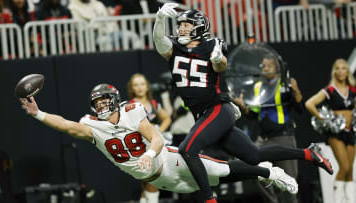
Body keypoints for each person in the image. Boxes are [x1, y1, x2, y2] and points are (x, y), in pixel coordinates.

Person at [152, 3, 333, 202]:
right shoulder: (174, 49)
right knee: (254, 156)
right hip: (204, 114)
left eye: (187, 25)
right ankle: (309, 154)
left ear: (200, 27)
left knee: (187, 150)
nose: (182, 28)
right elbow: (159, 40)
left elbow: (220, 66)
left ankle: (208, 199)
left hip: (217, 109)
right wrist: (160, 19)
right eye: (181, 25)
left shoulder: (212, 45)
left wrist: (218, 58)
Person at [19, 84, 299, 199]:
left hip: (167, 158)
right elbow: (67, 126)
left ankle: (269, 171)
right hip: (159, 178)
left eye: (105, 100)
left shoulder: (132, 111)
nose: (101, 105)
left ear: (115, 100)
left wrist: (150, 155)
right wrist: (38, 113)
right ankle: (263, 172)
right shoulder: (93, 125)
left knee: (221, 170)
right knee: (208, 184)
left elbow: (154, 137)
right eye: (98, 102)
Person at [233, 55, 303, 203]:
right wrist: (243, 107)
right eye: (263, 66)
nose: (265, 69)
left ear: (277, 68)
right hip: (263, 139)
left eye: (268, 66)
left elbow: (299, 109)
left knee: (289, 180)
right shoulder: (258, 86)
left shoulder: (284, 84)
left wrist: (296, 91)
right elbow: (253, 114)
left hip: (283, 137)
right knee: (258, 170)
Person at [305, 58, 356, 203]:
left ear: (347, 71)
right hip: (335, 133)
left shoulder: (352, 90)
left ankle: (351, 200)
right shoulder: (330, 90)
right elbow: (309, 104)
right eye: (338, 68)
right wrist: (323, 119)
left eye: (343, 68)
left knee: (350, 170)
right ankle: (337, 199)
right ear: (334, 71)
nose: (341, 71)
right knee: (344, 167)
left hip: (350, 131)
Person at [127, 73, 172, 203]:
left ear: (147, 86)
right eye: (136, 85)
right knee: (149, 179)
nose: (140, 88)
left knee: (151, 179)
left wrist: (158, 131)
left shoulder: (153, 103)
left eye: (142, 84)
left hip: (153, 145)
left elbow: (167, 118)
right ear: (132, 88)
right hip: (139, 146)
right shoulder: (129, 106)